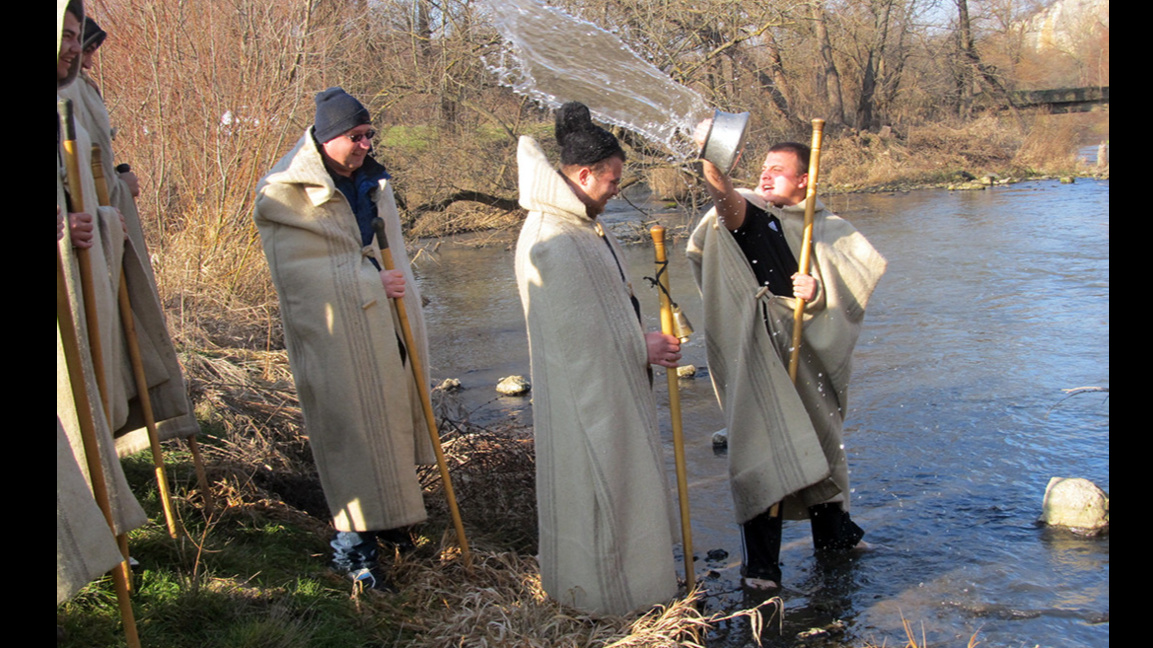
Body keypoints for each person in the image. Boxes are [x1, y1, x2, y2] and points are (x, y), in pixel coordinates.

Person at [687, 122, 887, 589]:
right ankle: (761, 566)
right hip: (760, 354)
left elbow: (851, 289)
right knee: (764, 448)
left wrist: (818, 293)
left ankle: (835, 537)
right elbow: (725, 201)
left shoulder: (827, 227)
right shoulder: (752, 214)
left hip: (808, 357)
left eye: (778, 170)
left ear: (804, 180)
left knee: (820, 441)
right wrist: (710, 157)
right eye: (762, 167)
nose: (765, 175)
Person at [253, 87, 435, 590]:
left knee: (391, 418)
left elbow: (385, 247)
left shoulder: (375, 183)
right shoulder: (283, 196)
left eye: (369, 135)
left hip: (386, 324)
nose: (365, 145)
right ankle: (352, 551)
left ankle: (393, 523)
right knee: (351, 431)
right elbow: (299, 280)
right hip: (333, 335)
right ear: (327, 137)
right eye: (355, 136)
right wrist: (369, 283)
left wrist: (391, 291)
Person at [514, 102, 680, 615]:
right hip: (586, 404)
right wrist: (639, 346)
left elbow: (603, 314)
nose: (615, 190)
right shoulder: (554, 240)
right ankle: (610, 604)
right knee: (599, 493)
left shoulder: (580, 227)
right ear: (584, 175)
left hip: (608, 391)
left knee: (620, 492)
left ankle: (633, 590)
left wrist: (636, 337)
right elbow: (575, 342)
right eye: (611, 180)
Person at [60, 13, 202, 456]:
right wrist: (108, 197)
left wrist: (114, 194)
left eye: (82, 42)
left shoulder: (78, 87)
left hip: (98, 235)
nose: (84, 55)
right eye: (72, 39)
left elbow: (92, 166)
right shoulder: (70, 93)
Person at [57, 0, 146, 603]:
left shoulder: (74, 96)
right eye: (67, 36)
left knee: (89, 397)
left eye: (76, 36)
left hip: (80, 272)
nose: (76, 49)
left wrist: (103, 207)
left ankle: (104, 531)